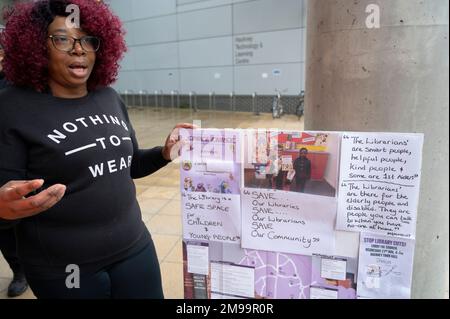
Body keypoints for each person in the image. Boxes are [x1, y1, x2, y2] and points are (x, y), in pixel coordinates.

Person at [0, 0, 193, 299]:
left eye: (88, 39)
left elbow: (129, 165)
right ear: (37, 46)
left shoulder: (108, 97)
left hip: (134, 248)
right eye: (62, 39)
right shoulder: (12, 108)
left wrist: (164, 153)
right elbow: (8, 195)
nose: (79, 49)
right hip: (65, 268)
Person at [0, 40, 30, 297]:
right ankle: (18, 269)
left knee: (24, 215)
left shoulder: (18, 84)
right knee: (3, 225)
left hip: (20, 161)